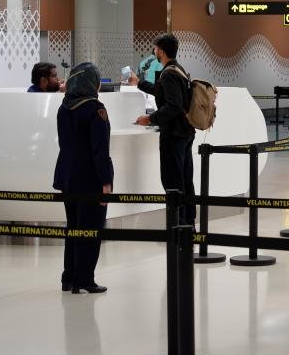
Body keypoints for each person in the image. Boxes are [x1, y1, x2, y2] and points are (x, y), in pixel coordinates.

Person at [53, 62, 112, 294]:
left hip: (67, 176)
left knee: (74, 227)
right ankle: (84, 279)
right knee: (90, 229)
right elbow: (100, 150)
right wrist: (106, 181)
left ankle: (69, 277)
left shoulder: (64, 108)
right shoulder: (95, 109)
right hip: (90, 179)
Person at [127, 33, 195, 226]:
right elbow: (162, 91)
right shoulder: (177, 70)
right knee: (185, 179)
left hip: (174, 135)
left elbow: (173, 105)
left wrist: (150, 118)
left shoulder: (169, 73)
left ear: (162, 51)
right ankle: (188, 224)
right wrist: (138, 83)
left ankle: (178, 226)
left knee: (173, 182)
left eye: (155, 48)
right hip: (185, 132)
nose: (154, 51)